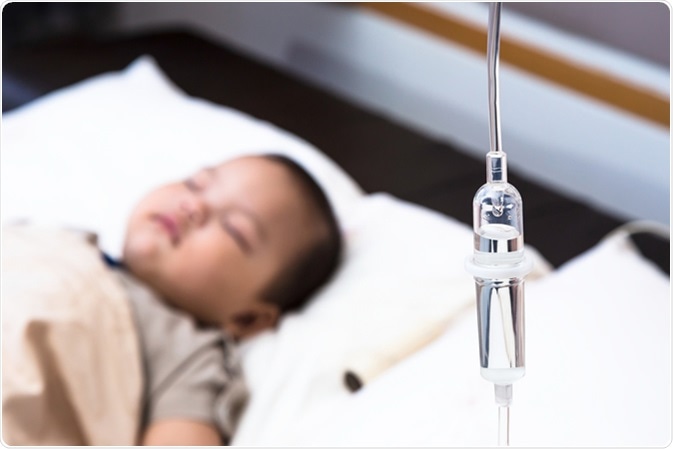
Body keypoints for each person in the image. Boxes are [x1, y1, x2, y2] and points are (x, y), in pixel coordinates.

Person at [111, 153, 342, 445]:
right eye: (195, 184)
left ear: (248, 319)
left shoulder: (188, 355)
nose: (194, 205)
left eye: (233, 228)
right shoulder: (72, 245)